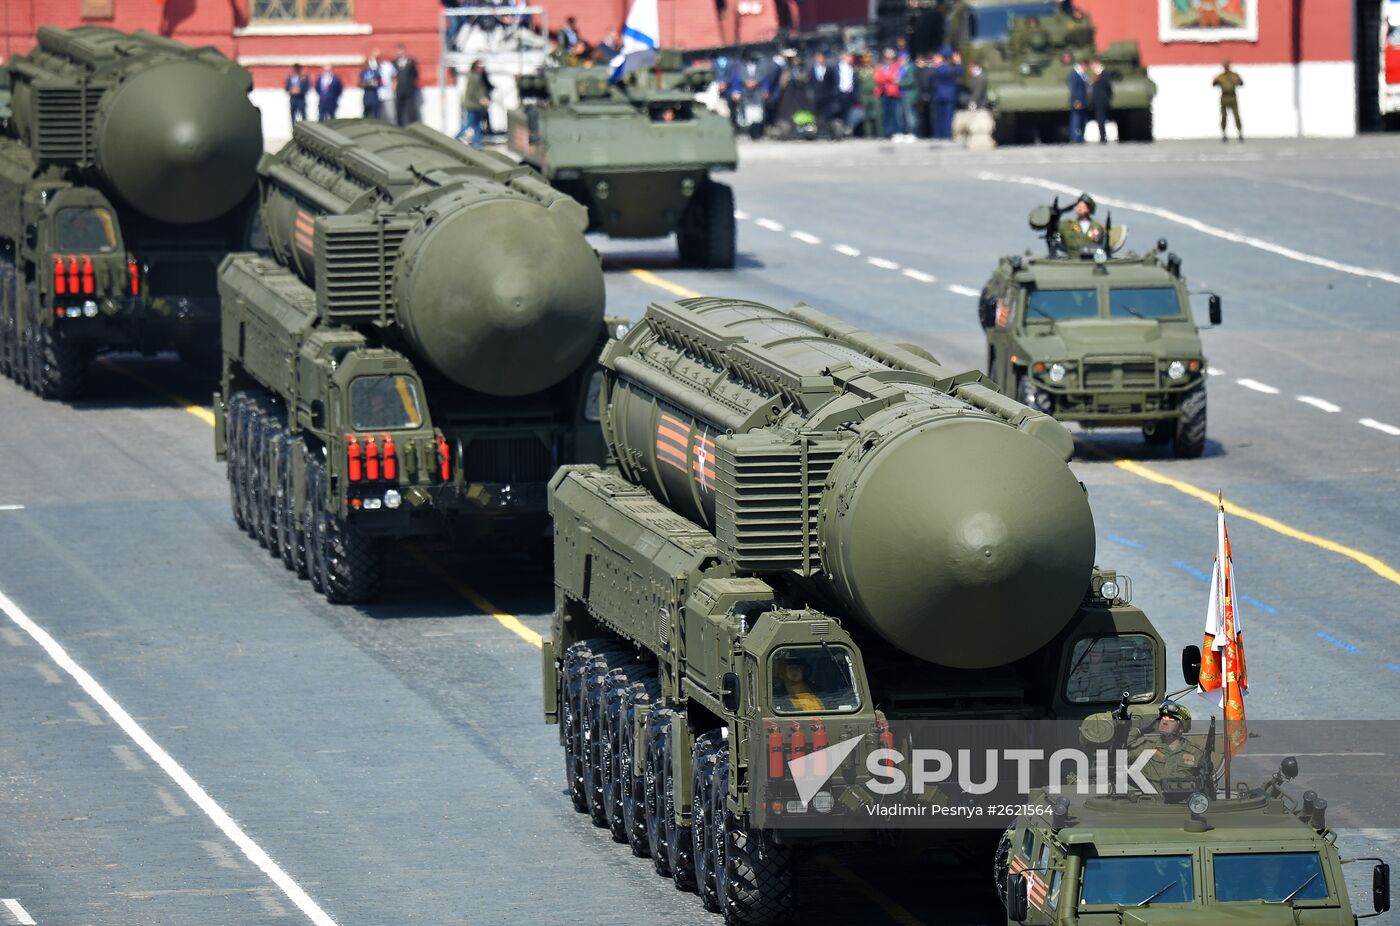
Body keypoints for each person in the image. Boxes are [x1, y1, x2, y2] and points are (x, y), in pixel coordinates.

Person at [1128, 701, 1206, 791]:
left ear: (1181, 727)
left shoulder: (1196, 753)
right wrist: (1139, 731)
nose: (1165, 722)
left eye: (1171, 719)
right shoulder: (1147, 747)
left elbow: (1205, 783)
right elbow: (1120, 756)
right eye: (1164, 717)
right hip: (1152, 803)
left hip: (1183, 803)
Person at [455, 60, 490, 149]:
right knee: (469, 123)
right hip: (472, 105)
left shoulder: (478, 77)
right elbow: (472, 92)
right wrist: (481, 100)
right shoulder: (473, 77)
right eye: (479, 68)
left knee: (477, 125)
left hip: (477, 105)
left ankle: (477, 143)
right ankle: (455, 138)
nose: (481, 69)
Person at [874, 48, 905, 139]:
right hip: (883, 93)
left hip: (894, 93)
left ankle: (897, 132)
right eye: (887, 58)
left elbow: (896, 78)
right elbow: (878, 79)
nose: (888, 60)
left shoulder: (897, 66)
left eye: (890, 58)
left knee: (895, 114)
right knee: (886, 114)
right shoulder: (880, 67)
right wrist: (889, 78)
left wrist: (886, 78)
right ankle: (887, 133)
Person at [933, 48, 961, 139]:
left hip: (940, 95)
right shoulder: (948, 68)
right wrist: (958, 63)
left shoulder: (939, 67)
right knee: (948, 116)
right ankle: (947, 134)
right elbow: (959, 72)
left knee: (940, 117)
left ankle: (940, 134)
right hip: (949, 95)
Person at [1213, 60, 1244, 142]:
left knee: (1236, 115)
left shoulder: (1234, 75)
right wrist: (1215, 81)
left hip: (1232, 97)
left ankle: (1240, 132)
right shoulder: (1221, 76)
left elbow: (1241, 83)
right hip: (1224, 97)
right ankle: (1224, 133)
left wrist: (1238, 80)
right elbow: (1214, 84)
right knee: (1223, 116)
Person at [393, 44, 421, 126]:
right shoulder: (394, 62)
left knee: (411, 109)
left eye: (401, 50)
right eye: (398, 51)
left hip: (409, 89)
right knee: (399, 108)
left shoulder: (411, 61)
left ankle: (413, 125)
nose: (400, 53)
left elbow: (415, 74)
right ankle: (399, 125)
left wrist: (411, 83)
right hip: (399, 89)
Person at [809, 50, 838, 123]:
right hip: (816, 96)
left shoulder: (829, 69)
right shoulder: (812, 70)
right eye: (818, 58)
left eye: (821, 58)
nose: (820, 59)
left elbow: (833, 82)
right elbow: (810, 83)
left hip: (827, 96)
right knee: (815, 113)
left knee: (826, 114)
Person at [1090, 58, 1112, 143]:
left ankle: (1103, 137)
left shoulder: (1104, 74)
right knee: (1100, 119)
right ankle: (1102, 136)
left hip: (1101, 99)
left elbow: (1107, 86)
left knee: (1101, 118)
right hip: (1097, 100)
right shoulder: (1096, 74)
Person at [1067, 55, 1089, 143]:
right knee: (1076, 121)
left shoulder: (1082, 75)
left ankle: (1080, 137)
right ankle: (1075, 138)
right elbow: (1073, 89)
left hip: (1083, 102)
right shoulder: (1074, 75)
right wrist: (1075, 101)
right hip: (1077, 102)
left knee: (1083, 121)